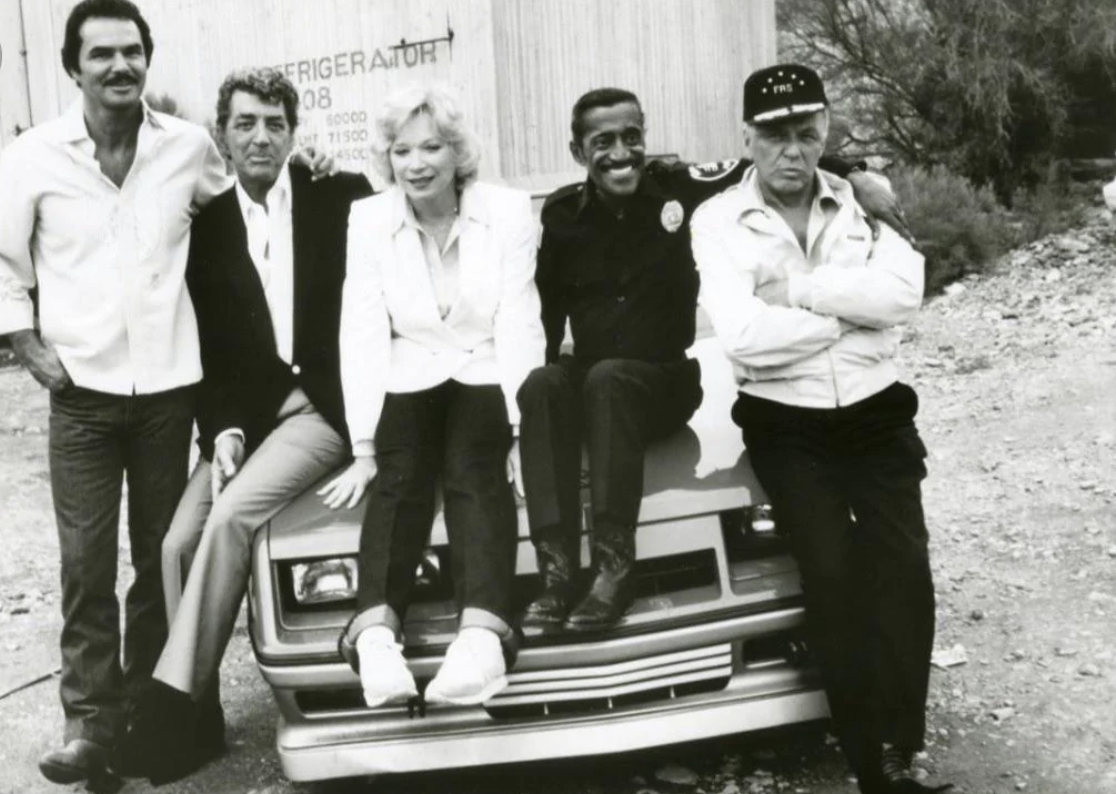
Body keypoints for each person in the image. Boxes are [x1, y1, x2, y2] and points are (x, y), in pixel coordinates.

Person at [0, 1, 334, 783]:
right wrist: (28, 347)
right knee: (86, 566)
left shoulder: (187, 147)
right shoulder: (35, 155)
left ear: (148, 61)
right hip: (81, 393)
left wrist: (308, 163)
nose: (119, 66)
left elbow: (252, 194)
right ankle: (89, 724)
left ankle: (140, 726)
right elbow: (2, 259)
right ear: (71, 67)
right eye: (101, 54)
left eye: (132, 52)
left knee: (158, 563)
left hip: (167, 395)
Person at [516, 87, 909, 632]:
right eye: (602, 142)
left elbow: (770, 158)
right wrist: (532, 425)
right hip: (595, 383)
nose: (621, 153)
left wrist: (857, 174)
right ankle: (557, 576)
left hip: (663, 381)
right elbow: (544, 318)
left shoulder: (679, 187)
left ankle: (614, 570)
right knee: (541, 384)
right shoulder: (561, 215)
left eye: (632, 137)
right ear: (578, 152)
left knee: (608, 379)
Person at [691, 64, 949, 794]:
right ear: (748, 137)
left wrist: (800, 295)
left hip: (876, 409)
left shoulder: (862, 200)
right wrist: (848, 318)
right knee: (833, 575)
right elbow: (741, 334)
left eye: (807, 133)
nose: (792, 152)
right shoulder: (718, 219)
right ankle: (869, 764)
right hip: (786, 422)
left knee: (903, 568)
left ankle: (902, 747)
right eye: (775, 135)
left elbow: (905, 291)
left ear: (826, 131)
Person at [110, 67, 372, 784]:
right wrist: (221, 429)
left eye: (275, 123)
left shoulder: (341, 198)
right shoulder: (208, 227)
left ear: (294, 133)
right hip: (249, 420)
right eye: (246, 123)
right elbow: (214, 353)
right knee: (175, 542)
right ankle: (204, 720)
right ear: (222, 136)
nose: (261, 136)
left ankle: (166, 714)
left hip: (323, 413)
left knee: (228, 522)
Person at [336, 84, 544, 708]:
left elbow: (519, 320)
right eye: (401, 150)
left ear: (458, 152)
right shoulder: (370, 219)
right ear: (387, 159)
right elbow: (363, 327)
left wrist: (519, 429)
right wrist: (363, 444)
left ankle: (480, 640)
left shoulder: (507, 213)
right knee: (399, 478)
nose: (417, 163)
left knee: (472, 473)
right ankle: (375, 638)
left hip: (484, 367)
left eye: (431, 146)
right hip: (409, 370)